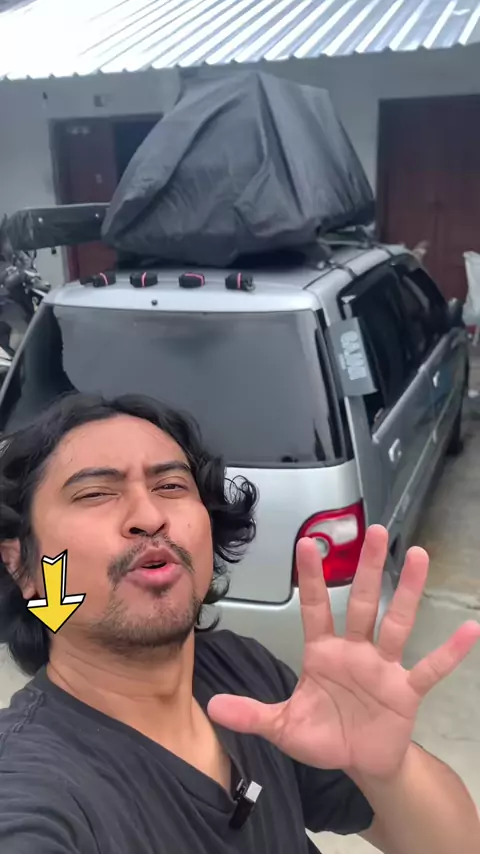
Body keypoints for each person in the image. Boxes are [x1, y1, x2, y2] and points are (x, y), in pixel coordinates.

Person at [0, 393, 479, 854]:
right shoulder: (31, 782)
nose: (149, 516)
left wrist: (387, 771)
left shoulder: (246, 673)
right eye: (96, 493)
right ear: (21, 565)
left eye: (171, 487)